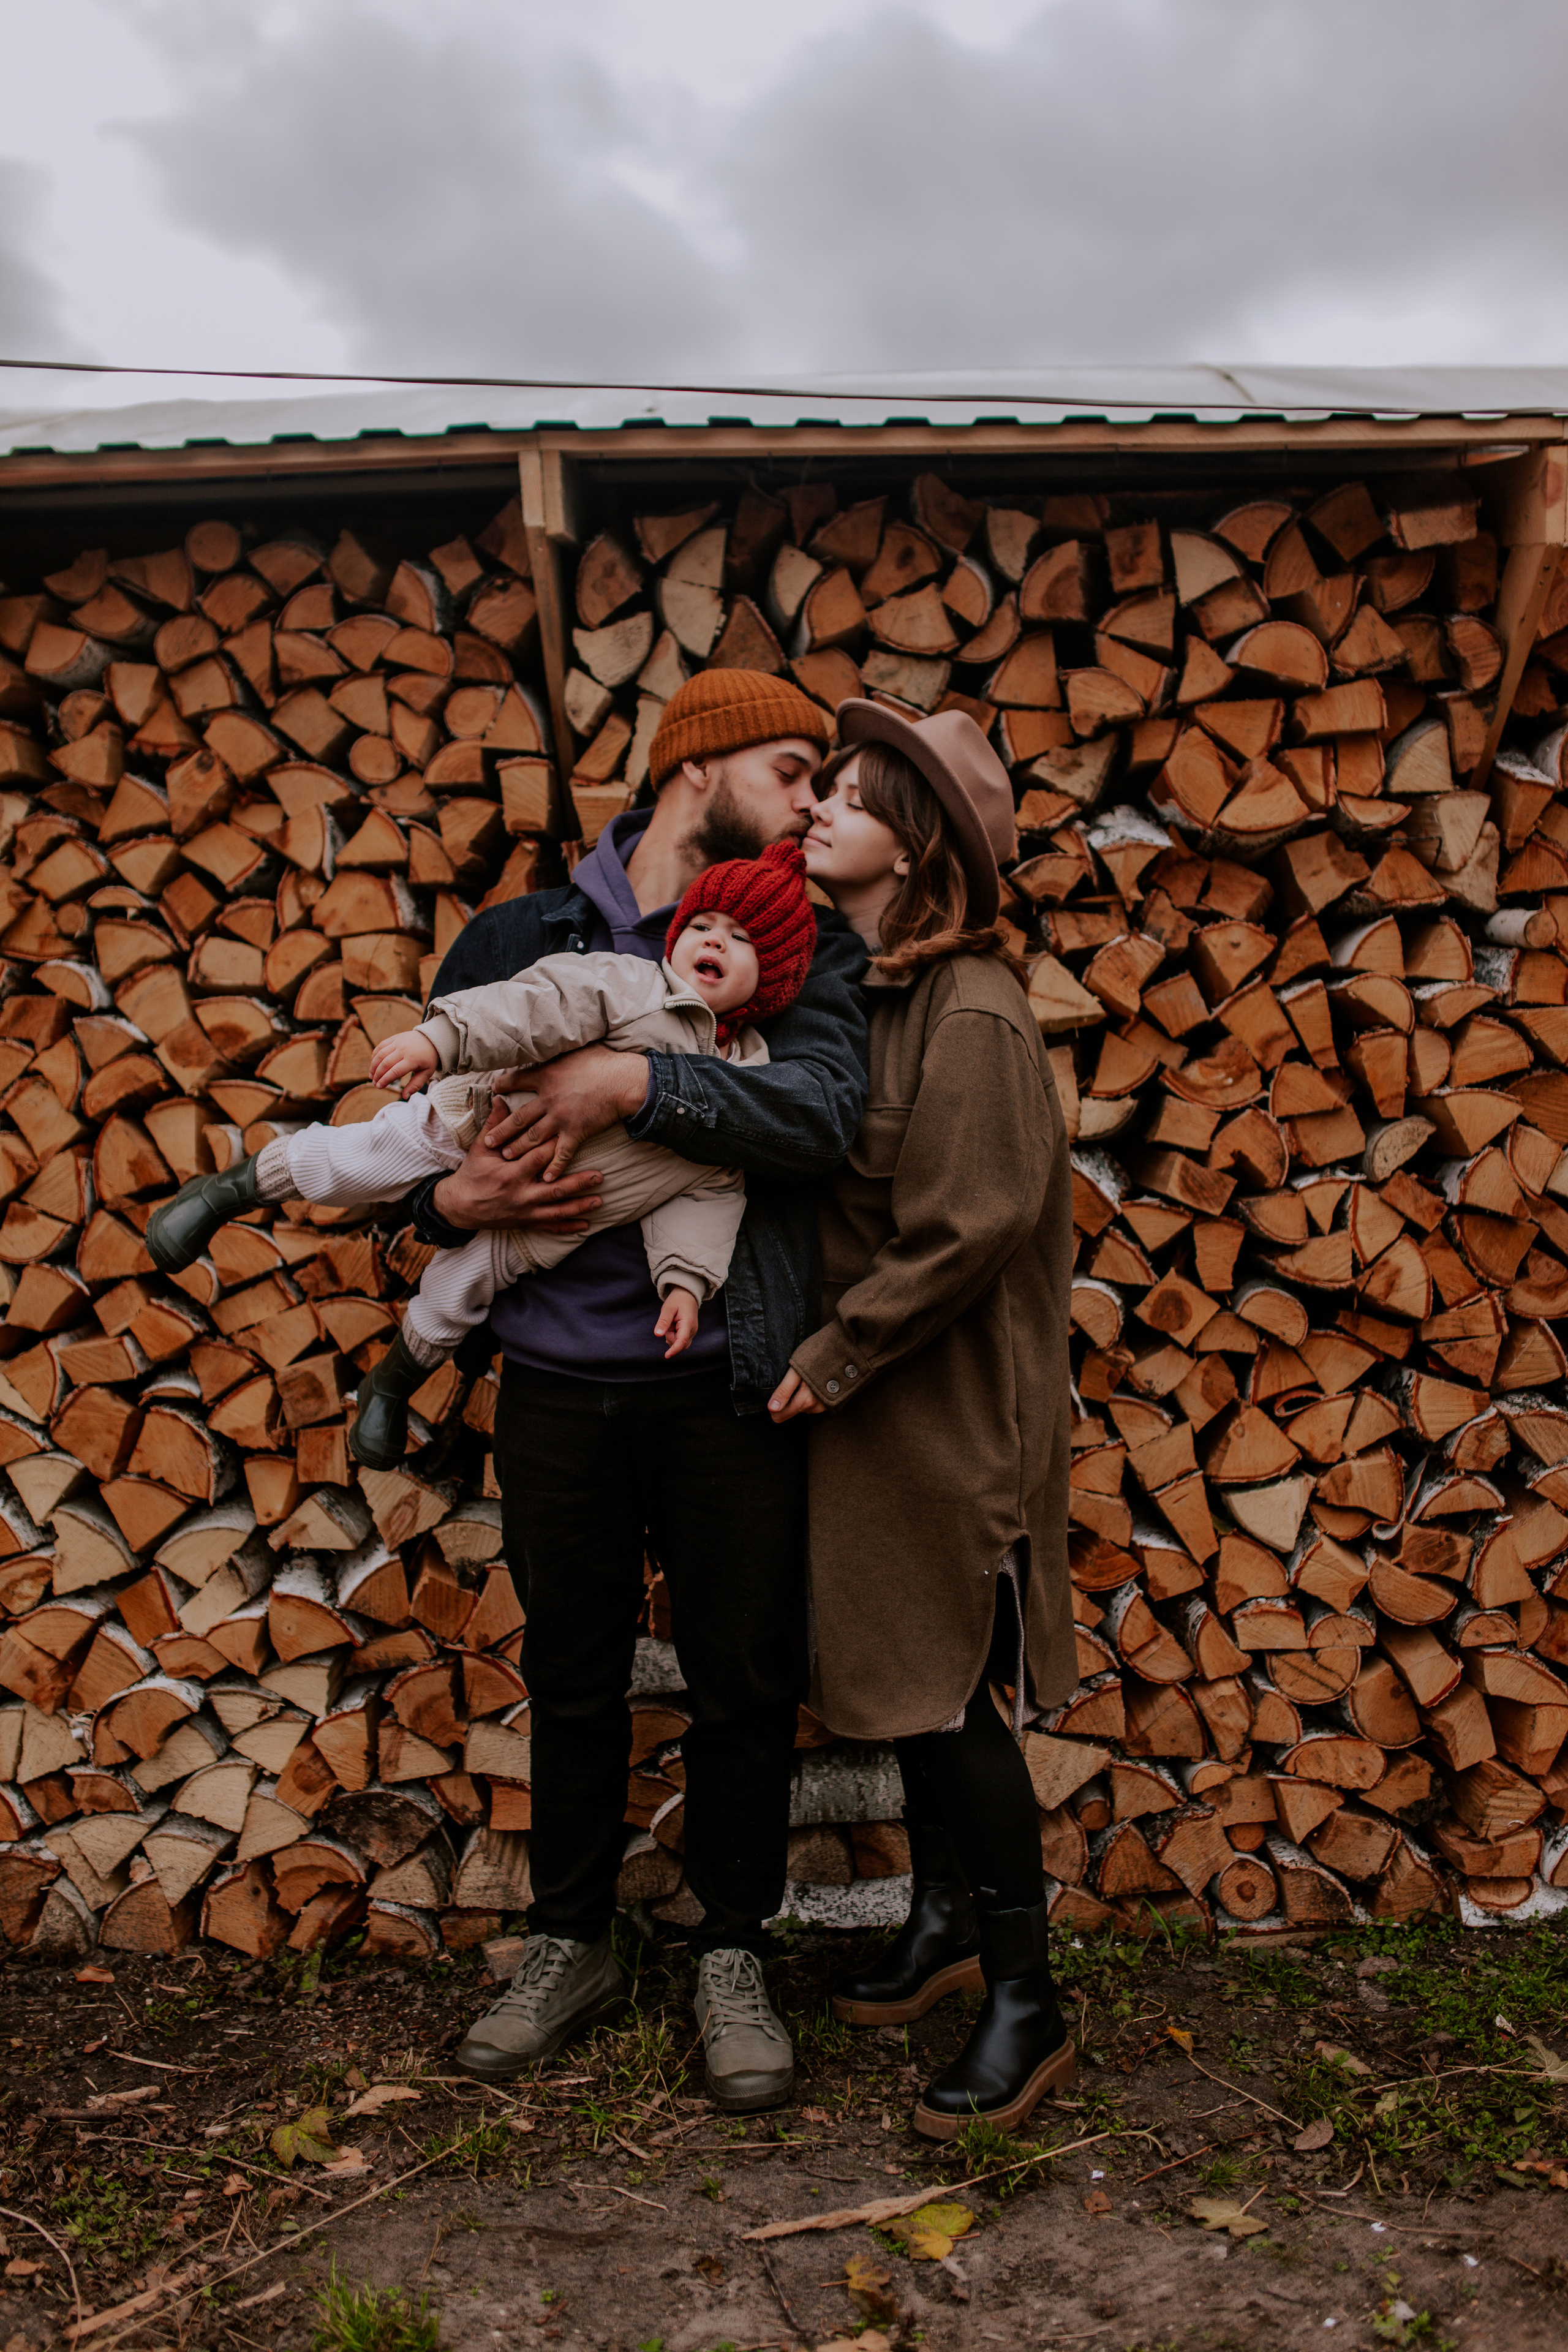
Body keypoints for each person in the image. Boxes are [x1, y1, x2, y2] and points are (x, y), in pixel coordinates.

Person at [420, 671, 869, 2106]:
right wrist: (444, 1202)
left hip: (729, 1377)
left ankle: (727, 1949)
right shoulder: (521, 936)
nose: (810, 805)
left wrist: (632, 1087)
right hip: (551, 1381)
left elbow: (819, 1115)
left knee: (741, 1678)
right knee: (570, 1672)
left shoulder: (807, 943)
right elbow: (418, 1126)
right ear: (700, 764)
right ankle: (569, 1937)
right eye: (794, 770)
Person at [767, 699, 1077, 2142]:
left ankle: (1025, 1996)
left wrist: (834, 1354)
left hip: (943, 1417)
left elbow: (969, 1225)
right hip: (876, 1416)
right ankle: (943, 1923)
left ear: (918, 840)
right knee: (893, 1675)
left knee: (952, 1703)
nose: (817, 803)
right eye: (818, 785)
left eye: (850, 793)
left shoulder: (972, 1011)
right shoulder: (871, 989)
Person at [142, 840, 817, 1470]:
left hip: (550, 1224)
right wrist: (442, 1039)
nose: (715, 941)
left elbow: (709, 1189)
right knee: (352, 1161)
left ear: (776, 979)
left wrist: (684, 1281)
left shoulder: (747, 1085)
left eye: (744, 939)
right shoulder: (629, 985)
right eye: (703, 923)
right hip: (468, 1124)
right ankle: (224, 1193)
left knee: (451, 1298)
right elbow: (535, 1006)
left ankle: (390, 1385)